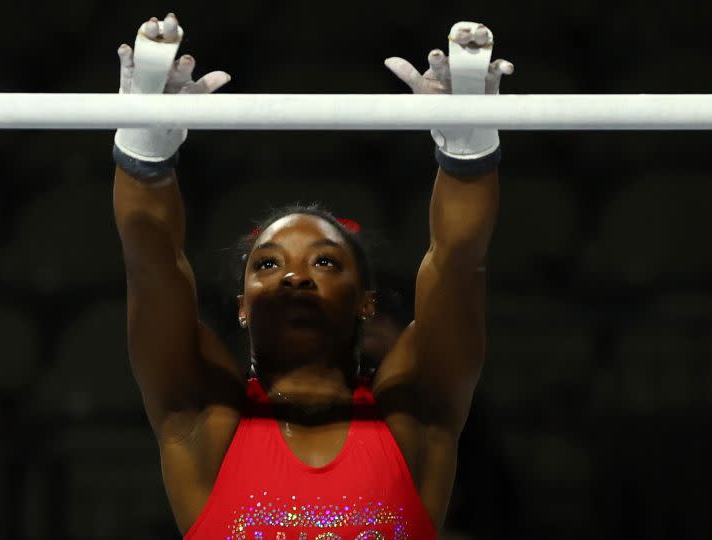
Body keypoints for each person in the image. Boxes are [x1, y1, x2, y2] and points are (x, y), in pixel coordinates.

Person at [110, 13, 512, 539]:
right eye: (269, 264)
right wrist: (146, 143)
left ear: (367, 303)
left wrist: (467, 148)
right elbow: (151, 261)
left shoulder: (413, 418)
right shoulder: (203, 421)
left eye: (323, 262)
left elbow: (458, 260)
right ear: (241, 303)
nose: (294, 278)